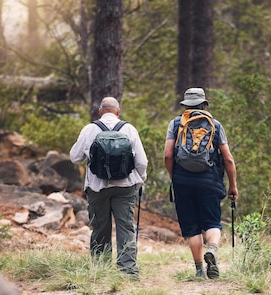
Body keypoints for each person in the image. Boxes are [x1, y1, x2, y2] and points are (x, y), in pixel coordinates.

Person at [164, 88, 238, 279]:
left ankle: (199, 270)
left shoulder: (175, 124)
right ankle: (212, 249)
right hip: (210, 180)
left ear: (185, 105)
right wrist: (233, 185)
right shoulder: (215, 125)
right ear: (204, 103)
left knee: (192, 227)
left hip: (182, 180)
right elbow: (228, 159)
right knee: (212, 222)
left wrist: (175, 177)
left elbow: (167, 155)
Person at [70, 97, 148, 278]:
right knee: (125, 227)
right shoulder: (129, 129)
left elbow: (74, 157)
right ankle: (128, 271)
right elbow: (142, 161)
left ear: (100, 111)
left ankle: (100, 269)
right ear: (118, 111)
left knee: (100, 227)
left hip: (97, 187)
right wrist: (140, 177)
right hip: (126, 186)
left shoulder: (90, 129)